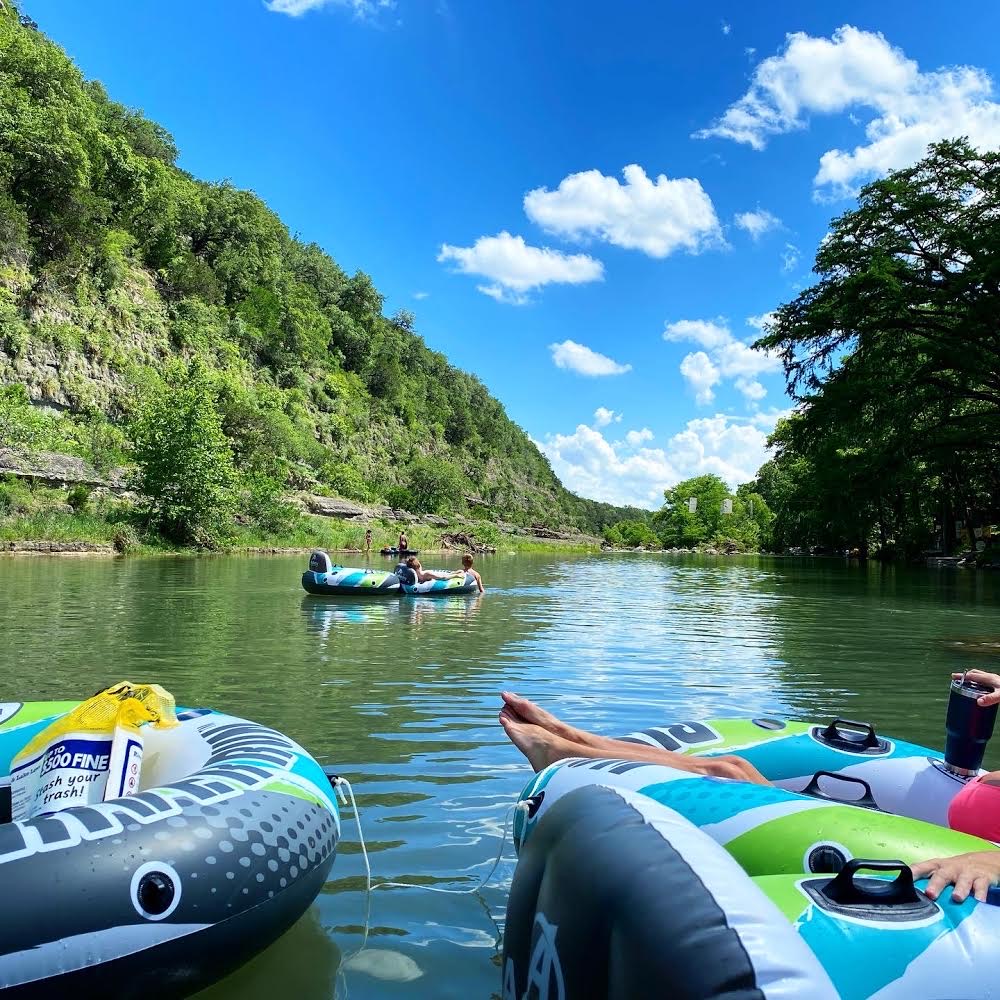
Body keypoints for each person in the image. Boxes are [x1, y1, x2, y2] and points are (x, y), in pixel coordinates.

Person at [498, 676, 1000, 904]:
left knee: (734, 776)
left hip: (974, 846)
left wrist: (988, 862)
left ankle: (571, 753)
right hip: (971, 798)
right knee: (734, 761)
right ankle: (584, 741)